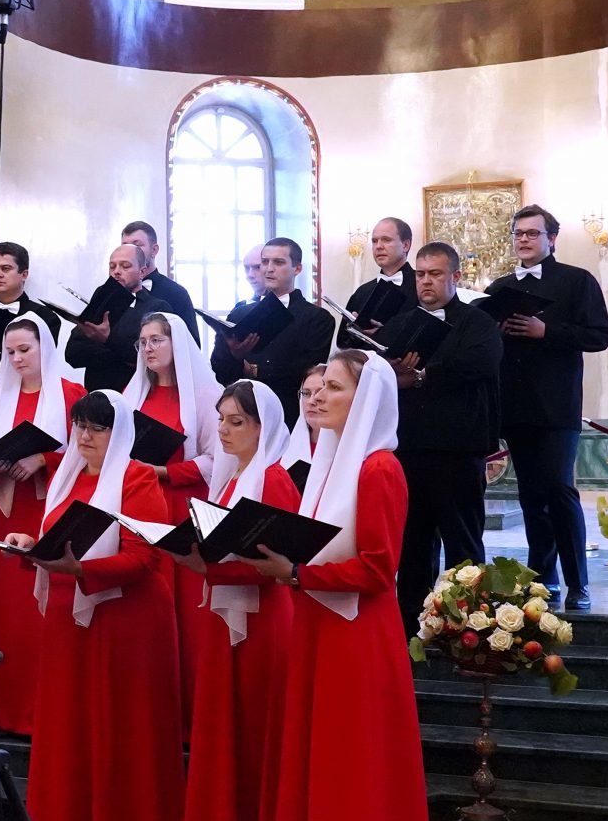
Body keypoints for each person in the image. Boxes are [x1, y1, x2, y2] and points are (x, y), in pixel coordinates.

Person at [242, 350, 438, 821]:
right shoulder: (325, 464)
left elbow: (380, 570)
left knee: (354, 780)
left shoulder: (379, 468)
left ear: (367, 400)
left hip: (359, 640)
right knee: (321, 773)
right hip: (320, 630)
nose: (317, 396)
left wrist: (296, 574)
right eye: (316, 385)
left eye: (334, 387)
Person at [8, 390, 184, 821]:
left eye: (97, 428)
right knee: (69, 729)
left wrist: (80, 568)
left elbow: (147, 557)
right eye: (79, 425)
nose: (84, 437)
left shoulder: (138, 477)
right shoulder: (67, 475)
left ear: (119, 432)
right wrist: (28, 544)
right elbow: (55, 537)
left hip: (127, 622)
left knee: (121, 731)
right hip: (71, 617)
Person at [177, 381, 298, 821]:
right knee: (224, 742)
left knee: (254, 744)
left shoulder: (273, 480)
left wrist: (207, 565)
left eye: (236, 422)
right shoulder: (230, 481)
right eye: (221, 419)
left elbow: (278, 565)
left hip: (264, 625)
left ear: (262, 427)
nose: (223, 430)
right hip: (226, 621)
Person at [485, 204, 608, 609]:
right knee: (531, 497)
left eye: (531, 233)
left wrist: (546, 330)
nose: (523, 239)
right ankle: (543, 580)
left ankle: (579, 582)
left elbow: (598, 336)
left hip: (556, 405)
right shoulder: (499, 288)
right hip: (516, 404)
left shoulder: (577, 281)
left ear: (551, 239)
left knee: (559, 489)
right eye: (518, 233)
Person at [0, 313, 82, 734]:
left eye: (25, 350)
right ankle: (4, 711)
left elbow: (87, 454)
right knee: (5, 611)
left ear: (45, 348)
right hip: (3, 505)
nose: (18, 359)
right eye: (10, 352)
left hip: (45, 508)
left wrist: (42, 458)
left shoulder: (71, 392)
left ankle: (44, 710)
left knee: (38, 610)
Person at [392, 242, 502, 616]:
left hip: (458, 448)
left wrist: (420, 376)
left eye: (435, 274)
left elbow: (480, 364)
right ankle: (410, 625)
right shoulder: (402, 322)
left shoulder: (479, 322)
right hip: (408, 448)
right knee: (413, 543)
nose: (425, 282)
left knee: (463, 541)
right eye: (420, 274)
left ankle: (470, 624)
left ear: (455, 277)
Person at [124, 310, 222, 716]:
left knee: (187, 610)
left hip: (184, 507)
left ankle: (191, 708)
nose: (148, 348)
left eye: (156, 340)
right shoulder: (133, 395)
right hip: (142, 507)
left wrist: (164, 470)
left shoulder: (205, 394)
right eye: (143, 341)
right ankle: (151, 705)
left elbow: (217, 460)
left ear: (176, 343)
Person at [212, 238, 336, 423]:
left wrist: (253, 369)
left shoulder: (317, 318)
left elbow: (306, 374)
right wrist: (235, 356)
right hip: (243, 412)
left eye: (278, 262)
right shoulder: (239, 314)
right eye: (264, 262)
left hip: (289, 414)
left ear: (297, 268)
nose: (269, 268)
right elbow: (220, 371)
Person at [66, 242, 165, 392]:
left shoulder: (157, 308)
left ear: (142, 272)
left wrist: (106, 341)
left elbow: (149, 358)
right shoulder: (101, 300)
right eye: (112, 267)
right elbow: (73, 354)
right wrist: (118, 353)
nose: (116, 272)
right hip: (97, 397)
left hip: (138, 396)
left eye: (125, 266)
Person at [0, 240, 66, 378]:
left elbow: (42, 365)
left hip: (21, 392)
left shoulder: (45, 318)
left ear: (24, 275)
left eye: (5, 268)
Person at [346, 217, 418, 333]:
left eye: (386, 240)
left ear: (405, 245)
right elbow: (343, 343)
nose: (378, 246)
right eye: (374, 241)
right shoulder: (362, 292)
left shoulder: (423, 285)